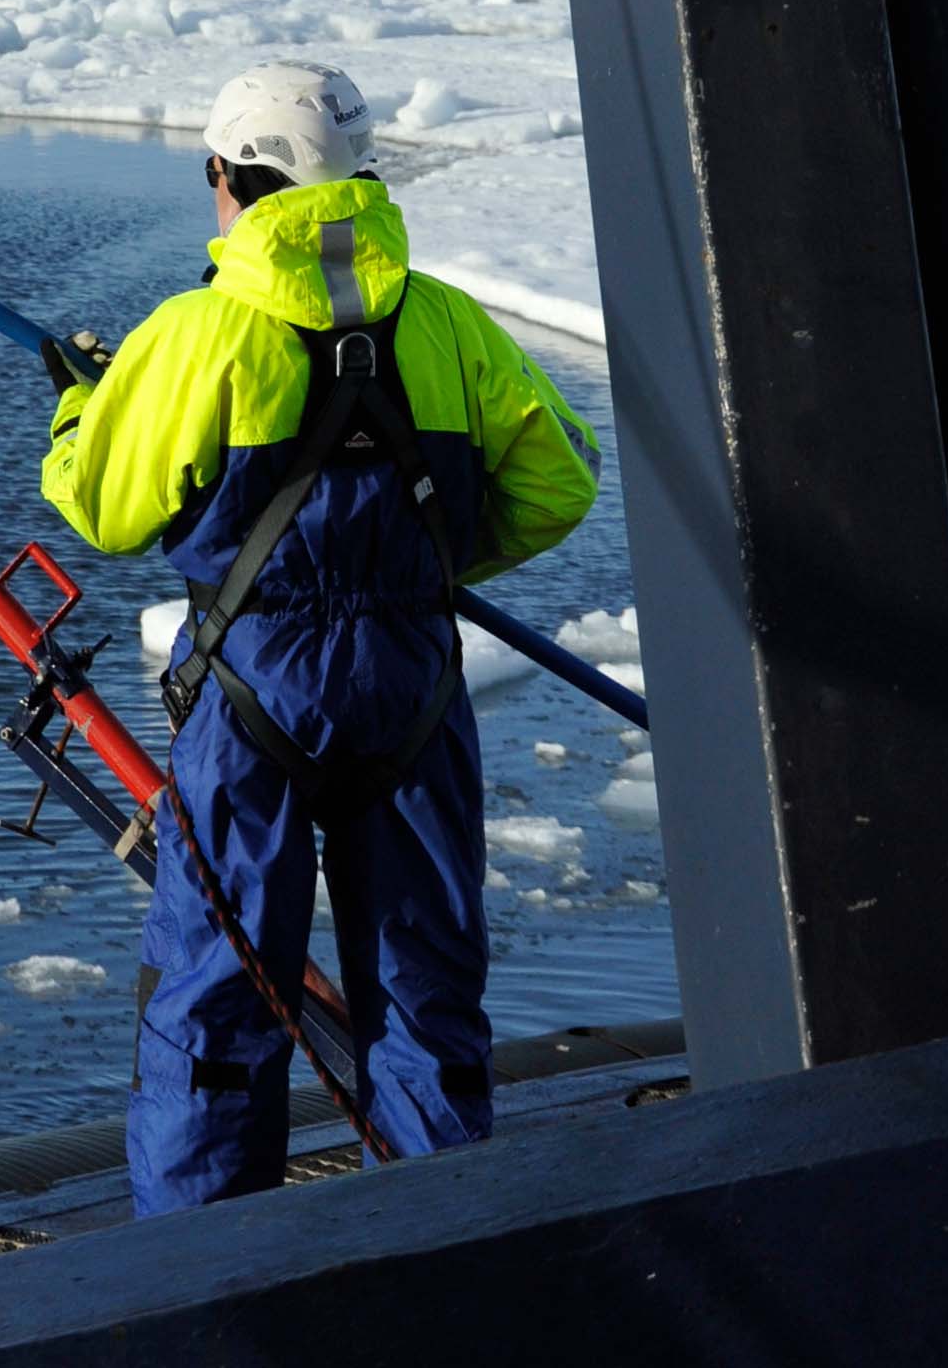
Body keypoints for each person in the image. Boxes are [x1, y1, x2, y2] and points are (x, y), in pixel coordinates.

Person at [43, 61, 598, 1215]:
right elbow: (559, 484)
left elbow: (104, 505)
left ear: (228, 178)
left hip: (256, 699)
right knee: (422, 987)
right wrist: (421, 567)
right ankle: (441, 1257)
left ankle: (204, 1282)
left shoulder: (200, 334)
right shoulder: (444, 319)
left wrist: (82, 402)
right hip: (413, 690)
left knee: (216, 1001)